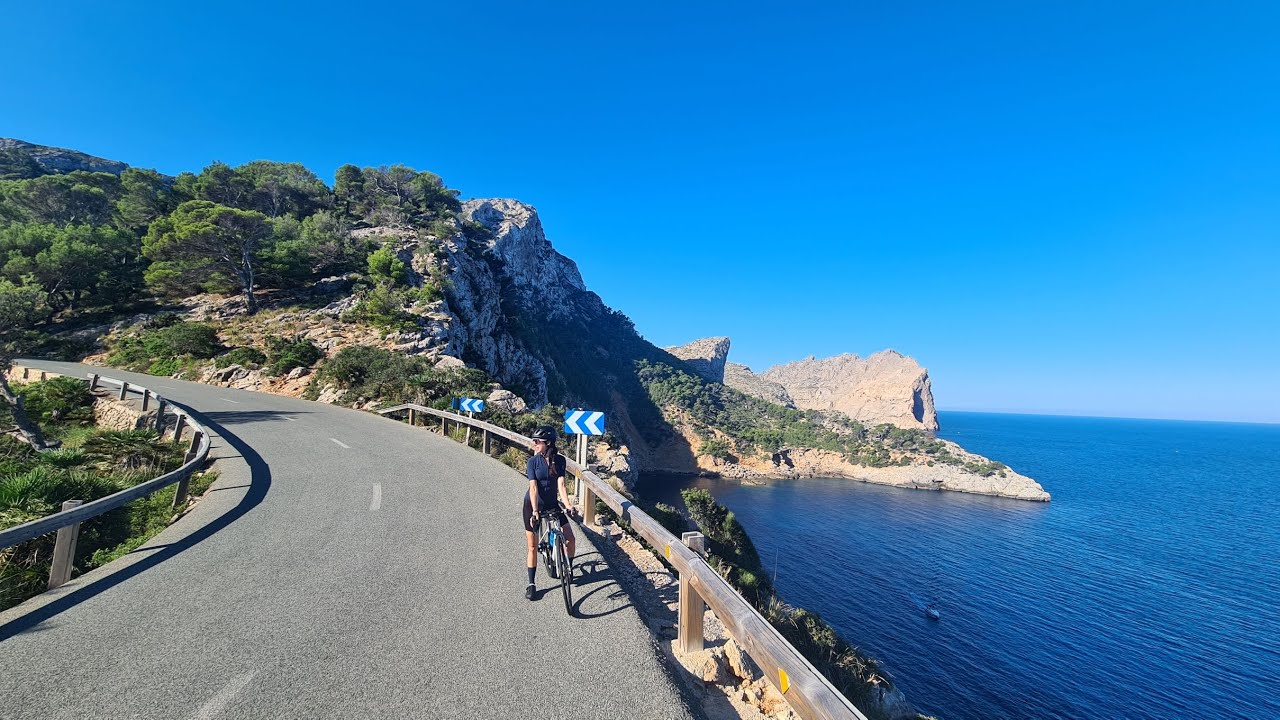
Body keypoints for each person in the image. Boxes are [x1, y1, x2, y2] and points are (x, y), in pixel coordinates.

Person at [523, 426, 577, 600]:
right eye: (534, 441)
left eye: (537, 441)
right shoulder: (533, 462)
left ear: (548, 443)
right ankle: (531, 584)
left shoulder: (560, 461)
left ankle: (568, 567)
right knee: (532, 545)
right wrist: (536, 512)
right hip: (533, 506)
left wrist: (568, 505)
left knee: (570, 539)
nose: (534, 444)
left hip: (553, 505)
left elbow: (561, 484)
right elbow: (533, 487)